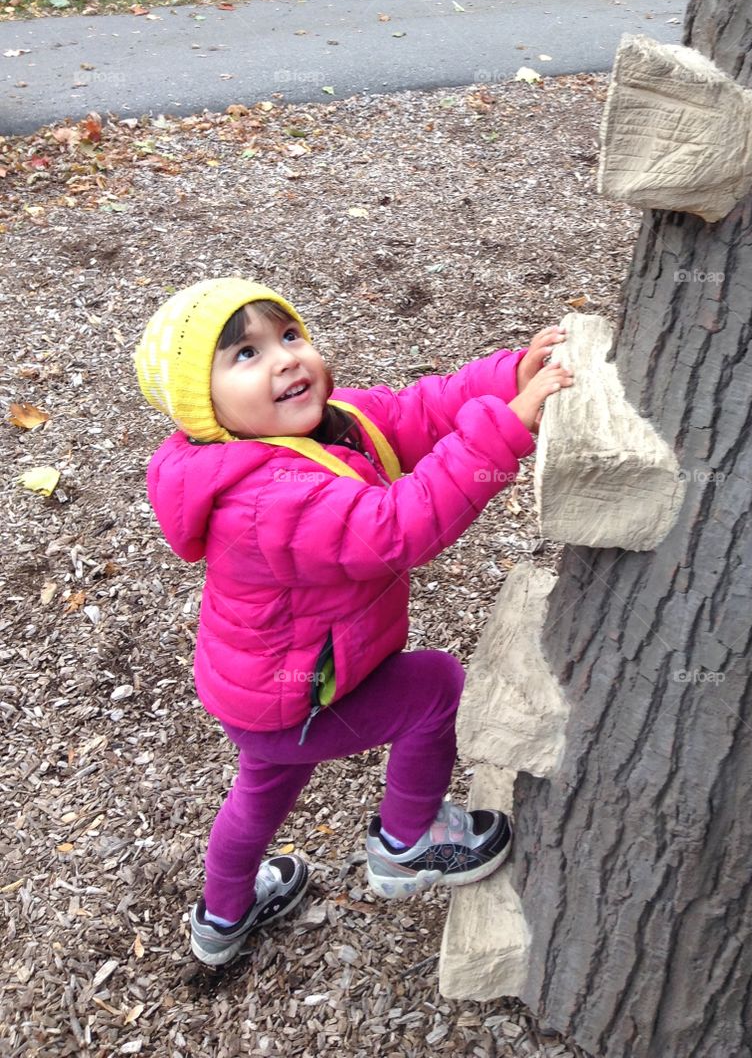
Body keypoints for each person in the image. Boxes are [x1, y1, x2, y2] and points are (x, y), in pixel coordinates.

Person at [134, 277, 574, 967]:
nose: (284, 359)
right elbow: (396, 529)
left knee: (261, 788)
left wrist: (505, 375)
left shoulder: (323, 425)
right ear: (202, 405)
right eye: (245, 355)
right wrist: (506, 428)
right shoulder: (261, 500)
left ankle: (221, 919)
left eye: (287, 336)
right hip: (293, 697)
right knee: (433, 686)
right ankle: (408, 843)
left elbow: (413, 412)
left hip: (261, 693)